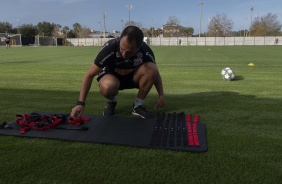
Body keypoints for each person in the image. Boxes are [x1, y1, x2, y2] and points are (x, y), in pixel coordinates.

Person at [70, 26, 165, 119]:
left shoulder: (145, 51)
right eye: (122, 49)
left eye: (129, 52)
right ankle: (112, 101)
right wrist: (80, 103)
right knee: (108, 86)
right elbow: (89, 75)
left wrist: (161, 95)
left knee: (152, 68)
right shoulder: (110, 47)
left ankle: (137, 106)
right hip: (112, 77)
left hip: (132, 78)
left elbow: (155, 73)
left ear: (139, 47)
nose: (123, 54)